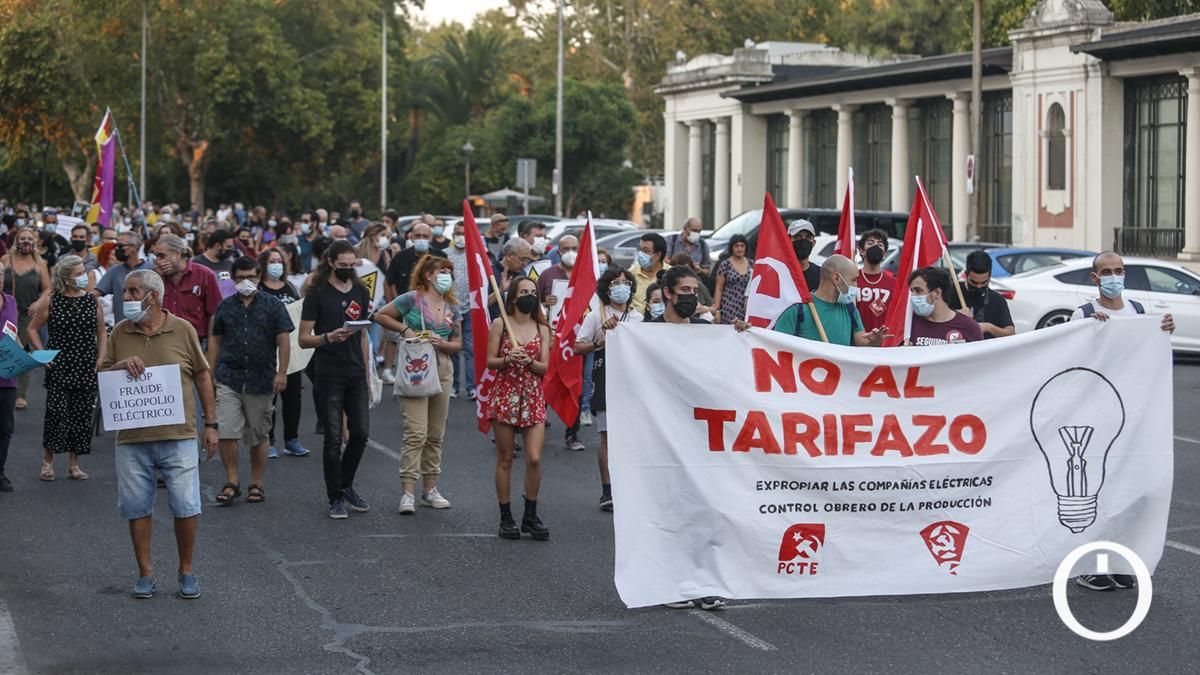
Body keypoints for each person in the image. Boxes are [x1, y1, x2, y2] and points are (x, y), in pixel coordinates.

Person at [99, 269, 219, 600]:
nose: (126, 298)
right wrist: (120, 366)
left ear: (154, 296)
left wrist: (211, 425)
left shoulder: (182, 330)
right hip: (132, 439)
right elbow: (102, 374)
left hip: (178, 435)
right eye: (124, 291)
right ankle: (145, 573)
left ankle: (186, 570)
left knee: (185, 504)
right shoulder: (120, 332)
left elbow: (202, 376)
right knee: (136, 507)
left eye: (133, 291)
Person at [374, 256, 461, 515]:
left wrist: (442, 343)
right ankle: (408, 492)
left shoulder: (452, 307)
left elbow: (457, 343)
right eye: (441, 271)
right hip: (416, 366)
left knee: (436, 433)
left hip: (442, 367)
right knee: (416, 432)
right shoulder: (412, 298)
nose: (446, 275)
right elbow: (381, 315)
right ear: (427, 275)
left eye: (449, 272)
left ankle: (431, 489)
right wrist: (406, 331)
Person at [208, 257, 293, 505]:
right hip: (229, 376)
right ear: (233, 279)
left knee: (259, 434)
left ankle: (256, 482)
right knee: (227, 431)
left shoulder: (273, 305)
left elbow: (283, 339)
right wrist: (209, 373)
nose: (246, 281)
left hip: (261, 377)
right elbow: (215, 340)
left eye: (251, 277)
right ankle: (231, 480)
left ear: (259, 277)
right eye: (241, 277)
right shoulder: (225, 306)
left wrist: (282, 372)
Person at [298, 241, 373, 519]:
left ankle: (346, 483)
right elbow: (304, 339)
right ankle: (335, 496)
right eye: (343, 266)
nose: (348, 270)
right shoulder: (317, 294)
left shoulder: (360, 291)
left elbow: (363, 334)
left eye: (352, 266)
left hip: (355, 372)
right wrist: (328, 337)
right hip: (328, 372)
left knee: (361, 433)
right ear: (331, 262)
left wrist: (366, 371)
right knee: (332, 438)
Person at [484, 277, 551, 541]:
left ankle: (530, 515)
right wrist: (508, 358)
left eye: (532, 292)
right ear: (512, 297)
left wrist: (530, 362)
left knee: (534, 458)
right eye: (523, 292)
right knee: (506, 458)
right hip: (506, 396)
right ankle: (506, 516)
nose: (529, 296)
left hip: (533, 396)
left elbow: (545, 368)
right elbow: (490, 362)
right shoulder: (500, 324)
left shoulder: (542, 328)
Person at [27, 255, 104, 482]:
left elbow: (101, 333)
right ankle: (48, 461)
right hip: (59, 363)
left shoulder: (92, 301)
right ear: (67, 278)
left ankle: (74, 464)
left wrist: (101, 357)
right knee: (57, 413)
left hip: (86, 363)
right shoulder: (52, 300)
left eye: (84, 272)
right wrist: (41, 354)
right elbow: (32, 329)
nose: (84, 277)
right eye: (79, 273)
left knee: (81, 415)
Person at [572, 268, 641, 511]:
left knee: (633, 439)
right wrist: (598, 342)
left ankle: (631, 487)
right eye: (616, 283)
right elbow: (578, 347)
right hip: (606, 379)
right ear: (607, 289)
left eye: (625, 282)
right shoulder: (596, 316)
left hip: (633, 383)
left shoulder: (638, 318)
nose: (621, 287)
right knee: (607, 437)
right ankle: (607, 489)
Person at [754, 255, 887, 346]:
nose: (857, 286)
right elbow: (773, 346)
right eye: (854, 280)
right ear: (836, 279)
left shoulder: (849, 308)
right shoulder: (799, 309)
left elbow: (861, 341)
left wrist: (874, 341)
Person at [257, 248, 309, 458]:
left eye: (279, 260)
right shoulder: (259, 288)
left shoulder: (289, 287)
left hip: (291, 350)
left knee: (293, 397)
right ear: (263, 264)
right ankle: (268, 440)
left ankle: (292, 439)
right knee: (269, 399)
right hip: (267, 350)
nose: (276, 264)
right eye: (272, 261)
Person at [2, 227, 50, 410]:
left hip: (26, 314)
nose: (26, 242)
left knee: (22, 353)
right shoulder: (6, 260)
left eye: (30, 238)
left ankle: (19, 393)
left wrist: (39, 303)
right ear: (16, 241)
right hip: (5, 312)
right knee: (5, 348)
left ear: (35, 242)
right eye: (22, 238)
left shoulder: (40, 264)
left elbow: (47, 288)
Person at [1070, 251, 1175, 330]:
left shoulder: (1137, 309)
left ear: (1124, 274)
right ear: (1094, 277)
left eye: (1118, 271)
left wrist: (1164, 331)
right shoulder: (1083, 314)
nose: (1114, 276)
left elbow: (1143, 343)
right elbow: (1071, 350)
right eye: (1106, 272)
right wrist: (1088, 326)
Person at [152, 234, 222, 348]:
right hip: (162, 341)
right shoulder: (155, 277)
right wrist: (155, 280)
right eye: (156, 257)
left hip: (195, 342)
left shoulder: (204, 275)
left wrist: (211, 346)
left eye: (162, 256)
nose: (158, 261)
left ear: (178, 254)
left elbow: (214, 313)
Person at [907, 267, 984, 345]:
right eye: (912, 291)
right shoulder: (908, 323)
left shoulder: (969, 327)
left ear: (937, 293)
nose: (913, 296)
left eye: (918, 290)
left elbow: (980, 356)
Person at [94, 231, 153, 324]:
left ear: (134, 248)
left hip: (148, 327)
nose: (117, 249)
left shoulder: (151, 269)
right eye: (116, 246)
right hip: (123, 329)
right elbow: (95, 293)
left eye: (121, 246)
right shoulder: (115, 270)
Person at [445, 222, 475, 398]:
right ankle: (454, 386)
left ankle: (472, 387)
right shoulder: (446, 255)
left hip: (470, 308)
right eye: (457, 233)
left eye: (464, 233)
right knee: (453, 348)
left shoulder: (474, 255)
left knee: (470, 349)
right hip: (451, 308)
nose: (460, 236)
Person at [961, 250, 1015, 339]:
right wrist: (956, 315)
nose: (979, 286)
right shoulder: (951, 292)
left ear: (989, 277)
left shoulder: (997, 300)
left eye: (984, 283)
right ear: (966, 275)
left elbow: (1010, 332)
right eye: (974, 282)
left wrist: (988, 328)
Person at [385, 222, 446, 299]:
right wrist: (395, 304)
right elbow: (389, 282)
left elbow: (448, 283)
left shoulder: (440, 257)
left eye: (425, 236)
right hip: (405, 305)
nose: (421, 239)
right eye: (418, 236)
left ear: (431, 238)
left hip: (432, 304)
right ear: (412, 237)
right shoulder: (400, 257)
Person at [855, 229, 895, 332]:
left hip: (883, 343)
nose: (875, 247)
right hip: (856, 343)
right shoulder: (852, 279)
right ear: (861, 251)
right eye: (870, 243)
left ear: (885, 253)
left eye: (880, 245)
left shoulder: (894, 282)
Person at [0, 263, 17, 493]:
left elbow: (13, 333)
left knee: (5, 428)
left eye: (1, 274)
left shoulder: (11, 301)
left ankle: (0, 472)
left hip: (7, 377)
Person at [536, 234, 578, 326]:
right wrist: (545, 304)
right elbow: (535, 304)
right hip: (554, 329)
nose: (571, 252)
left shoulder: (587, 274)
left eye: (574, 249)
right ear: (559, 252)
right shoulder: (547, 275)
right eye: (566, 249)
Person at [712, 234, 752, 324]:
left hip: (747, 307)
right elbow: (718, 289)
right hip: (729, 307)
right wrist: (717, 310)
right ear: (731, 248)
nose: (740, 248)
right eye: (736, 246)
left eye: (742, 246)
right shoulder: (725, 265)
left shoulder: (752, 264)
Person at [630, 233, 669, 313]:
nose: (640, 254)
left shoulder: (672, 274)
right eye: (640, 249)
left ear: (658, 255)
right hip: (636, 323)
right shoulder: (630, 274)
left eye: (646, 251)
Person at [788, 219, 821, 292]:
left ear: (813, 243)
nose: (803, 241)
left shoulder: (822, 275)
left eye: (808, 237)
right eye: (797, 237)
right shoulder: (779, 274)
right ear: (788, 241)